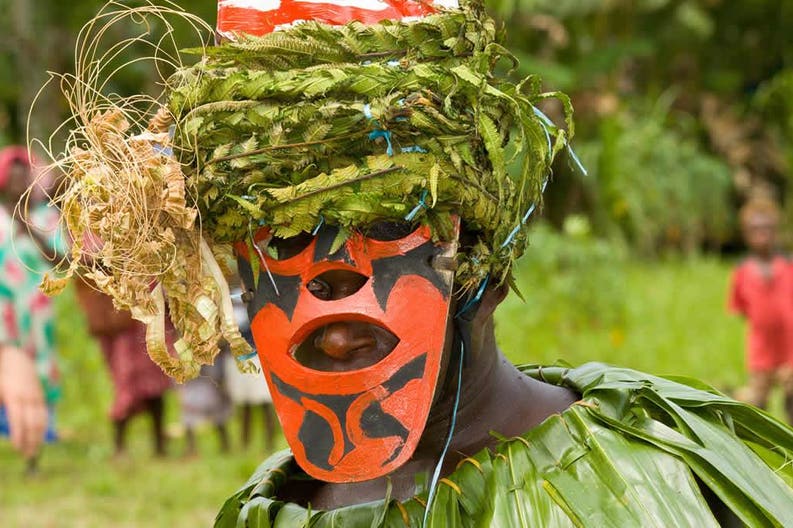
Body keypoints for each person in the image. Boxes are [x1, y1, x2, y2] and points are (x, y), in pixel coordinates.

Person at [39, 0, 793, 526]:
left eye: (384, 224)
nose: (332, 283)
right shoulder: (277, 510)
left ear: (482, 267)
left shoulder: (653, 478)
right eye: (278, 238)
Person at [0, 146, 60, 472]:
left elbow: (61, 259)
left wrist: (30, 231)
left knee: (40, 374)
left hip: (37, 314)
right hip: (3, 315)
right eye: (13, 176)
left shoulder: (45, 218)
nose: (18, 182)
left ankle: (34, 450)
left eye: (24, 176)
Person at [728, 197, 793, 424]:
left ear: (776, 231)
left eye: (767, 228)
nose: (762, 234)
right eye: (756, 229)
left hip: (789, 349)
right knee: (758, 405)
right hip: (761, 350)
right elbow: (742, 309)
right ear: (746, 234)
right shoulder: (743, 272)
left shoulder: (788, 266)